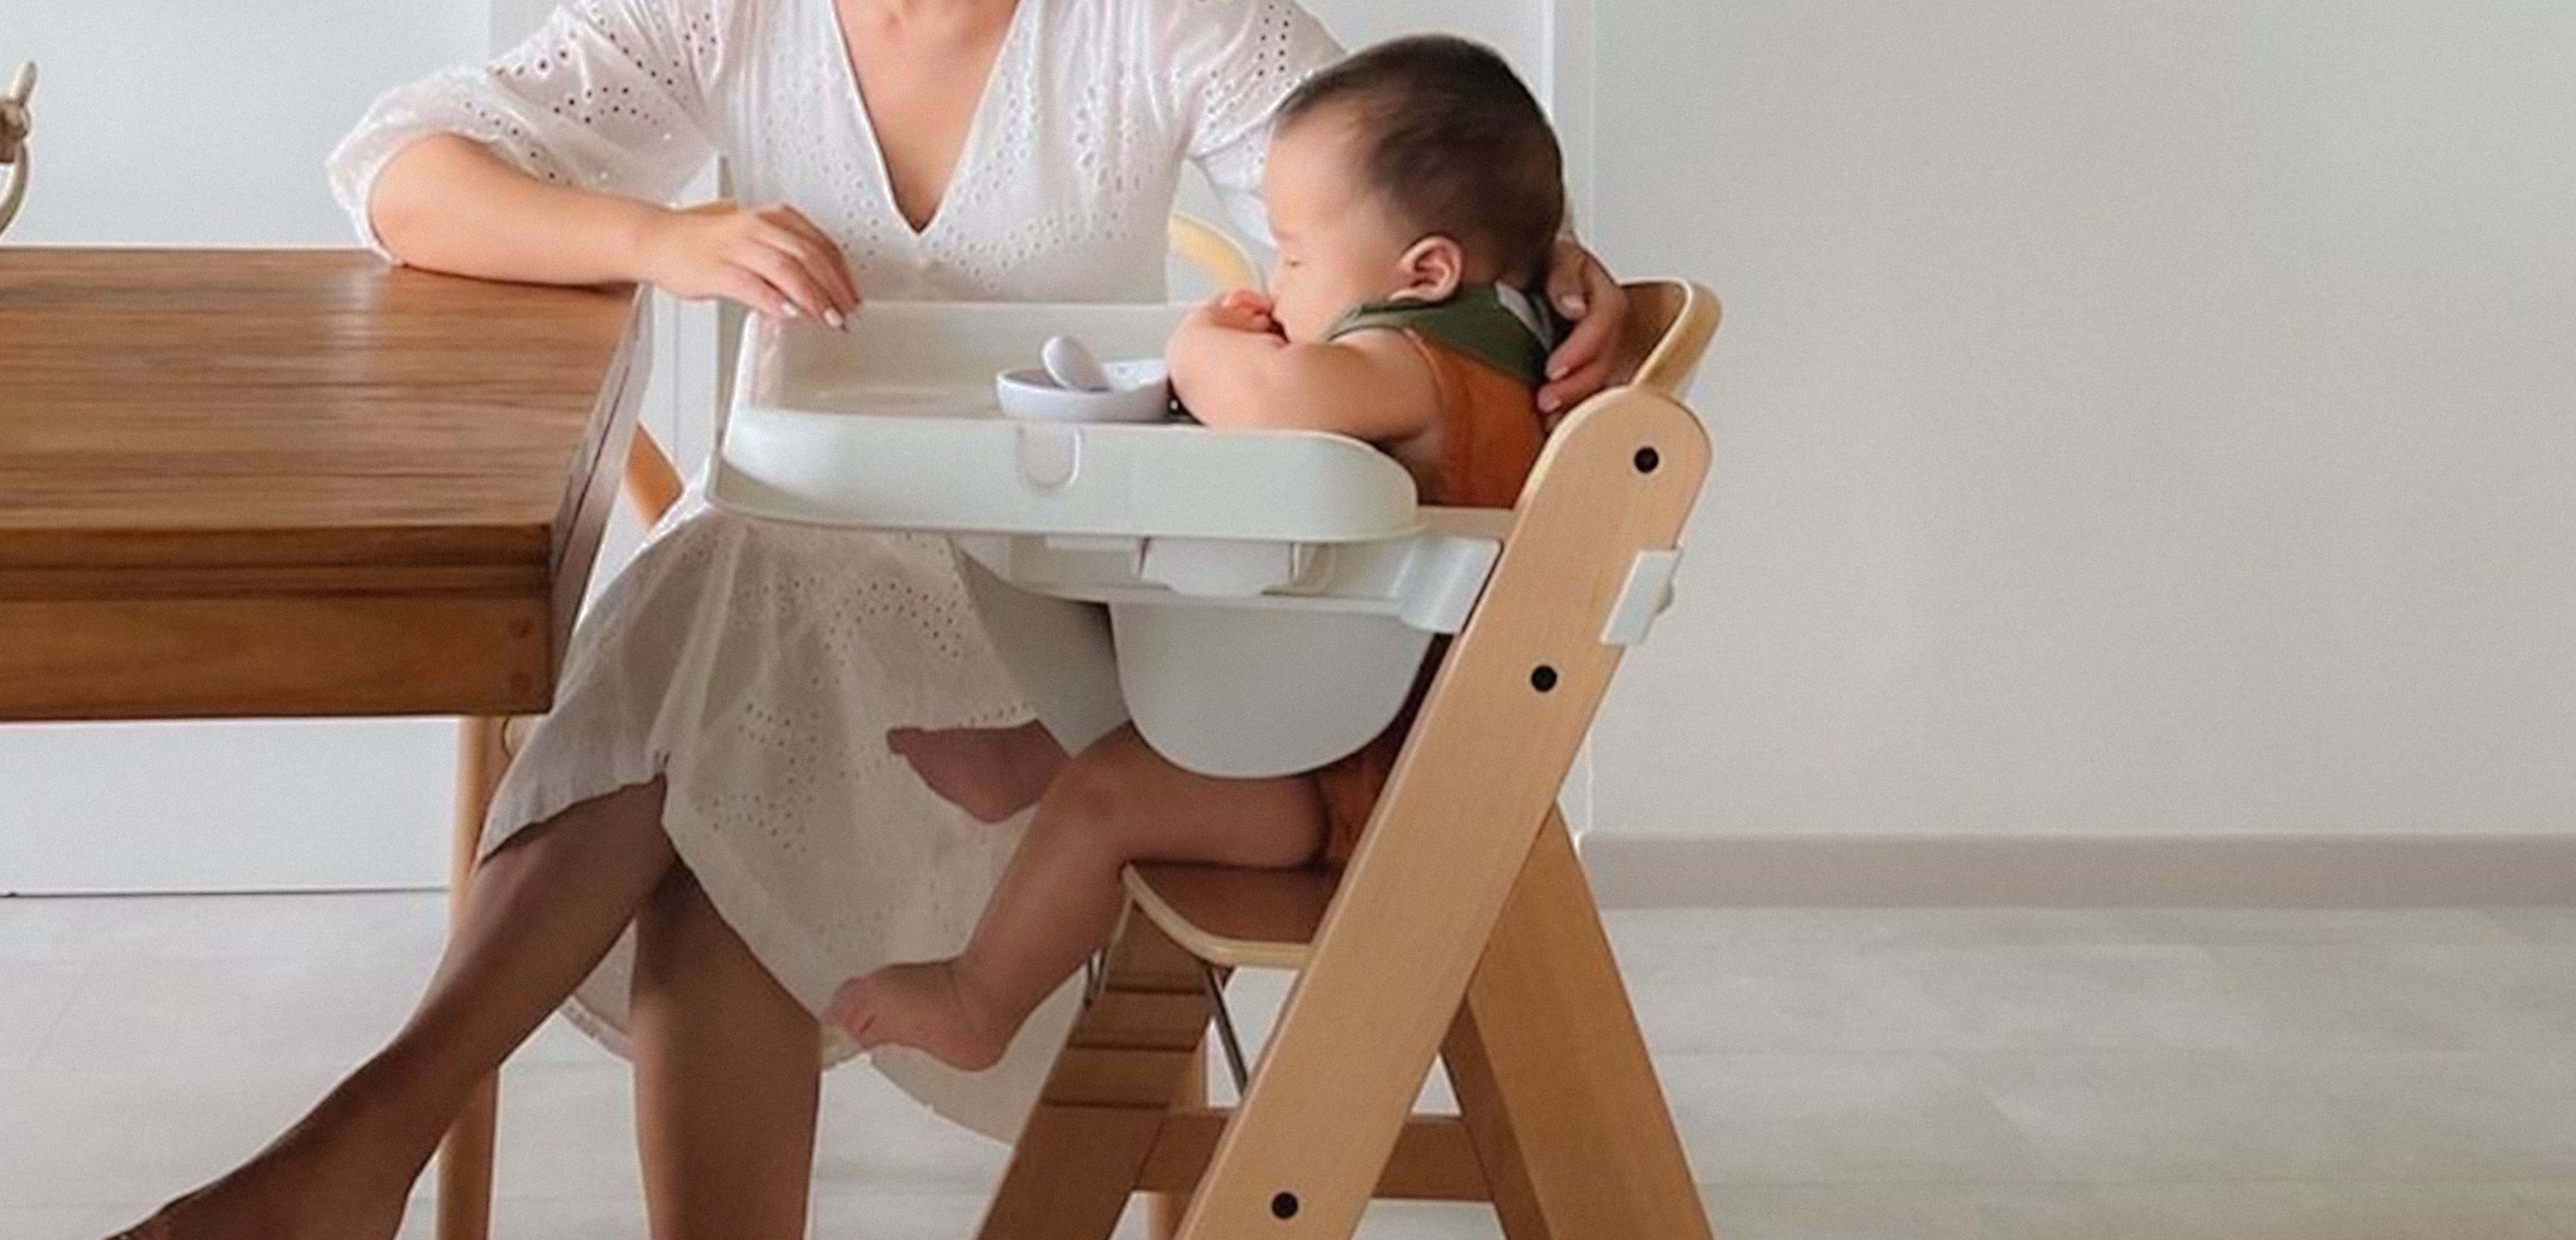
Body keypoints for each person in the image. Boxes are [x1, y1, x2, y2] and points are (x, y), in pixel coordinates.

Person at [117, 3, 1629, 1238]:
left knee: (725, 615)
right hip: (789, 594)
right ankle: (361, 1149)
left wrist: (1549, 269)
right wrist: (663, 240)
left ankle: (366, 1137)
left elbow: (1400, 193)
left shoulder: (1162, 21)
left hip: (1050, 627)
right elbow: (392, 171)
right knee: (738, 654)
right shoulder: (729, 13)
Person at [827, 34, 1571, 1070]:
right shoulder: (1484, 334)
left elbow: (1266, 404)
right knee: (1146, 649)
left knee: (1109, 796)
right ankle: (1020, 757)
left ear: (1426, 271)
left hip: (1355, 777)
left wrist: (1197, 345)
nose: (1277, 277)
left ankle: (978, 995)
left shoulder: (1414, 361)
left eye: (1296, 254)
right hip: (1334, 720)